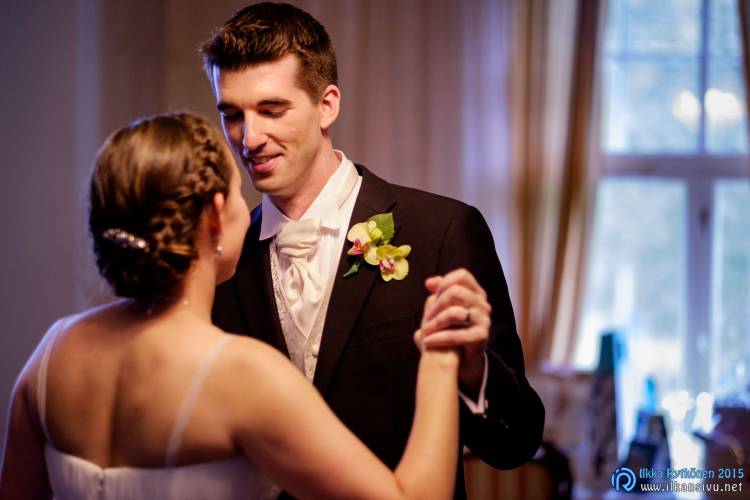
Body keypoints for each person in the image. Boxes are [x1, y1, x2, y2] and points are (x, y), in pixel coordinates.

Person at [0, 113, 480, 499]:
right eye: (235, 191)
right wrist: (440, 359)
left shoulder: (52, 353)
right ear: (215, 214)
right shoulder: (241, 374)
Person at [203, 3, 545, 498]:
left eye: (272, 110)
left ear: (327, 105)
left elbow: (516, 443)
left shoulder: (442, 231)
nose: (249, 138)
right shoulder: (221, 264)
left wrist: (474, 368)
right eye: (232, 115)